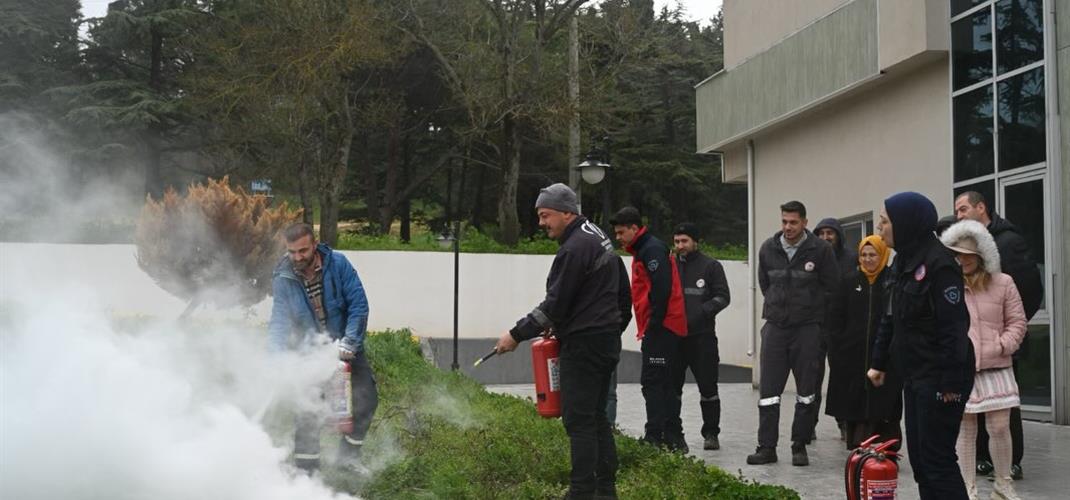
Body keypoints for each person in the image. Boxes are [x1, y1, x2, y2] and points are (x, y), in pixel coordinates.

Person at [494, 183, 631, 499]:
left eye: (546, 215)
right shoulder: (597, 236)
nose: (542, 222)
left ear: (567, 212)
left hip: (585, 346)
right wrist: (611, 330)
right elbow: (623, 295)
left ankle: (581, 491)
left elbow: (555, 304)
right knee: (596, 417)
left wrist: (515, 335)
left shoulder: (574, 248)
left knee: (579, 420)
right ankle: (606, 490)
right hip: (604, 341)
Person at [867, 192, 975, 500]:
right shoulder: (902, 262)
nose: (879, 227)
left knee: (937, 461)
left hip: (941, 376)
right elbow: (890, 316)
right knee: (921, 463)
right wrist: (879, 362)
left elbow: (954, 329)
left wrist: (950, 384)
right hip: (915, 374)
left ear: (906, 223)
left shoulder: (940, 265)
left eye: (885, 221)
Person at [267, 223, 376, 473]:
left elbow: (359, 306)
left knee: (367, 400)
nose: (297, 257)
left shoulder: (339, 265)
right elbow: (280, 320)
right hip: (309, 353)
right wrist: (275, 357)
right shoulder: (283, 276)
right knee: (307, 408)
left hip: (346, 348)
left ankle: (347, 459)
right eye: (292, 252)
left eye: (302, 251)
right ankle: (307, 469)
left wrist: (349, 343)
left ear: (314, 245)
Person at [954, 191, 1042, 480]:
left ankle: (1011, 462)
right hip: (971, 351)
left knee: (1003, 414)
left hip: (1000, 348)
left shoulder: (1008, 242)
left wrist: (1005, 340)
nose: (959, 215)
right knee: (972, 414)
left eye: (963, 208)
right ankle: (982, 459)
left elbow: (1027, 291)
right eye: (956, 211)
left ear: (981, 208)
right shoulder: (962, 252)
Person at [747, 201, 839, 466]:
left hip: (808, 329)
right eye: (784, 221)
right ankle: (766, 447)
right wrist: (779, 307)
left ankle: (799, 445)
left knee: (807, 391)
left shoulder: (820, 250)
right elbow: (765, 283)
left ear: (805, 222)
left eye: (793, 222)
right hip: (775, 327)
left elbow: (831, 288)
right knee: (769, 392)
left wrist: (811, 313)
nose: (788, 227)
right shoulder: (768, 248)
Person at [941, 220, 1026, 500]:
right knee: (965, 430)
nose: (962, 260)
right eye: (957, 254)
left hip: (997, 364)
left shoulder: (1003, 283)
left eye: (968, 254)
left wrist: (1003, 345)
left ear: (982, 255)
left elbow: (1017, 322)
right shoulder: (948, 286)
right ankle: (968, 488)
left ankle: (1003, 484)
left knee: (1000, 427)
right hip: (962, 366)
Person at [610, 206, 688, 450]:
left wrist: (653, 326)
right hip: (661, 326)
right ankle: (673, 437)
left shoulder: (651, 249)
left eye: (622, 232)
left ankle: (656, 437)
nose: (618, 238)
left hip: (662, 327)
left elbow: (662, 289)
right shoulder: (644, 249)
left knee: (653, 382)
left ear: (635, 228)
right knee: (663, 382)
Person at [825, 235, 902, 450]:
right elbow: (835, 317)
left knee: (885, 401)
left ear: (883, 255)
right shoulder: (849, 281)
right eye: (863, 255)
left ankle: (886, 446)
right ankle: (858, 443)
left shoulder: (891, 281)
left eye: (873, 254)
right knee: (855, 401)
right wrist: (838, 346)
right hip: (852, 355)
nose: (868, 259)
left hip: (885, 357)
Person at [665, 222, 731, 453]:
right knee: (672, 389)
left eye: (684, 241)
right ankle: (673, 433)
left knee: (708, 388)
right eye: (677, 241)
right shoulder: (669, 265)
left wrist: (699, 313)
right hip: (674, 340)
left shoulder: (711, 266)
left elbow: (723, 297)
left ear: (695, 242)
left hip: (702, 338)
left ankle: (711, 433)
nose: (680, 246)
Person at [811, 217, 857, 442]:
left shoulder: (851, 258)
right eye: (821, 233)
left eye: (830, 233)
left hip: (841, 328)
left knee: (842, 377)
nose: (825, 238)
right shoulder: (810, 257)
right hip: (815, 325)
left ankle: (845, 422)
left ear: (839, 235)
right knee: (811, 377)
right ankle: (808, 424)